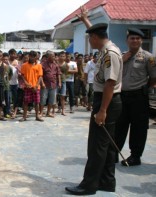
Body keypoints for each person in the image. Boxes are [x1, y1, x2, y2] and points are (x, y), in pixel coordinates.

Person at [65, 6, 123, 195]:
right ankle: (107, 181)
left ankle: (88, 185)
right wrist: (85, 21)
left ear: (95, 39)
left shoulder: (109, 54)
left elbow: (110, 84)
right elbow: (95, 32)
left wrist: (102, 111)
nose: (89, 41)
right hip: (108, 100)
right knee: (105, 144)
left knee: (97, 146)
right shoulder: (107, 48)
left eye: (90, 38)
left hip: (107, 100)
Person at [115, 28, 156, 166]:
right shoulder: (121, 56)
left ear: (141, 40)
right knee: (119, 126)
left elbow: (153, 78)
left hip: (139, 97)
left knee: (139, 128)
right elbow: (113, 73)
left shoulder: (148, 57)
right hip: (122, 96)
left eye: (138, 38)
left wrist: (144, 88)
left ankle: (135, 156)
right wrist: (121, 60)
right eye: (132, 38)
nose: (135, 40)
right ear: (127, 40)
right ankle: (114, 153)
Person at [19, 50, 44, 122]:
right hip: (27, 87)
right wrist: (26, 83)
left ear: (36, 57)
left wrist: (37, 85)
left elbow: (40, 76)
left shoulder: (39, 65)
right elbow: (22, 76)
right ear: (29, 56)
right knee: (26, 102)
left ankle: (37, 116)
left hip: (36, 87)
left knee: (37, 102)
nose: (33, 58)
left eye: (34, 57)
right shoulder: (24, 65)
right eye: (31, 57)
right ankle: (24, 116)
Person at [40, 51, 61, 117]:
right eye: (53, 56)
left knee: (52, 99)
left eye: (54, 56)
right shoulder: (43, 64)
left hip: (53, 84)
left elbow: (58, 74)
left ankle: (48, 112)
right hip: (45, 85)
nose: (54, 57)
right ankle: (41, 112)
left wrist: (59, 82)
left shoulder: (56, 65)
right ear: (48, 57)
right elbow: (40, 75)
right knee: (43, 99)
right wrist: (42, 83)